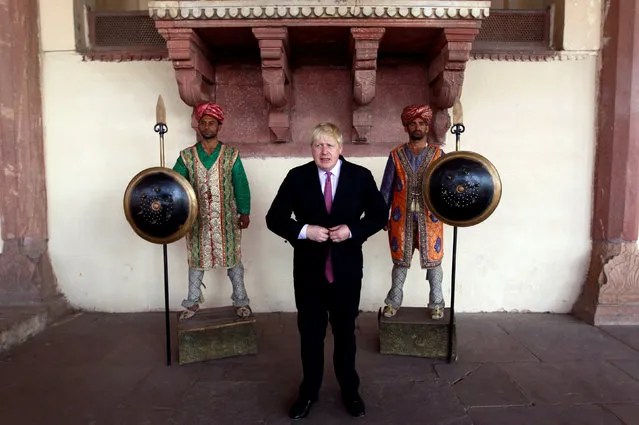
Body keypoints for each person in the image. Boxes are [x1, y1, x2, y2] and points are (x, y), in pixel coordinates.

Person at [266, 122, 387, 420]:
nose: (324, 151)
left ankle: (350, 390)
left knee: (346, 333)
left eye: (329, 145)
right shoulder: (297, 177)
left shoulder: (360, 177)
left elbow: (379, 215)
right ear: (311, 149)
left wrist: (353, 229)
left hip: (346, 272)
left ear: (340, 148)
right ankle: (309, 392)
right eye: (318, 145)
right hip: (309, 273)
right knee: (310, 335)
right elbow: (275, 218)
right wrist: (306, 231)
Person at [173, 102, 252, 320]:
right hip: (196, 221)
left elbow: (241, 185)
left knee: (233, 260)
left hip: (227, 219)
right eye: (203, 123)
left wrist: (244, 212)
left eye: (212, 123)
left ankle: (241, 301)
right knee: (196, 261)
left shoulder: (231, 155)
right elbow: (175, 184)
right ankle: (192, 302)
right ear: (198, 126)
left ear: (219, 126)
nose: (207, 126)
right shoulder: (186, 157)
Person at [380, 105, 446, 320]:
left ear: (427, 126)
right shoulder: (396, 155)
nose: (417, 127)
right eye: (413, 123)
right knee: (400, 263)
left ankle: (437, 303)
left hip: (431, 218)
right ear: (406, 126)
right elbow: (386, 188)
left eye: (421, 123)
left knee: (434, 262)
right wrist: (382, 215)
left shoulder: (438, 154)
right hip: (401, 218)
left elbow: (446, 186)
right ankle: (393, 302)